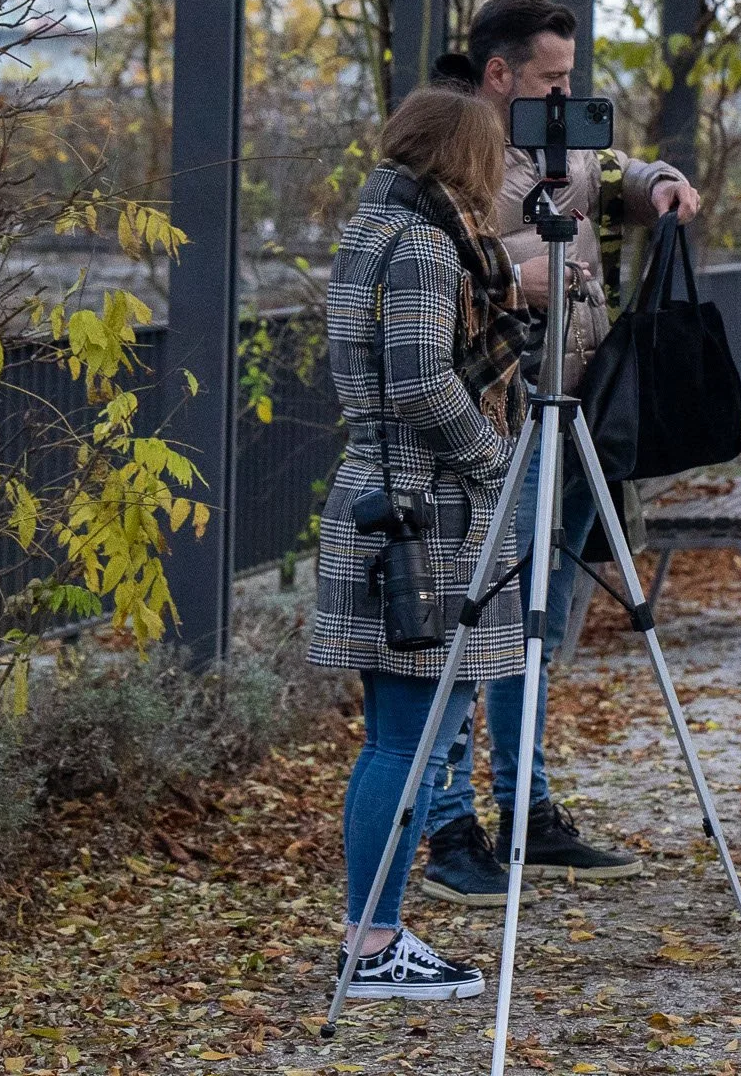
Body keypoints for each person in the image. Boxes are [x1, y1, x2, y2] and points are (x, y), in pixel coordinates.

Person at [419, 0, 701, 906]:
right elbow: (428, 264)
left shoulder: (564, 141)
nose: (565, 92)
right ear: (499, 74)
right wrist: (513, 277)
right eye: (551, 77)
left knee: (541, 619)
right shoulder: (455, 152)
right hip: (500, 406)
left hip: (581, 404)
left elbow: (610, 171)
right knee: (484, 616)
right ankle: (446, 824)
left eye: (571, 78)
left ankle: (529, 810)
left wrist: (656, 183)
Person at [308, 86, 531, 1001]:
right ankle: (374, 943)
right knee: (405, 737)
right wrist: (497, 458)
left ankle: (377, 933)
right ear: (465, 157)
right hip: (419, 512)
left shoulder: (374, 228)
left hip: (389, 499)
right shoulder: (427, 244)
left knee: (402, 735)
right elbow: (420, 383)